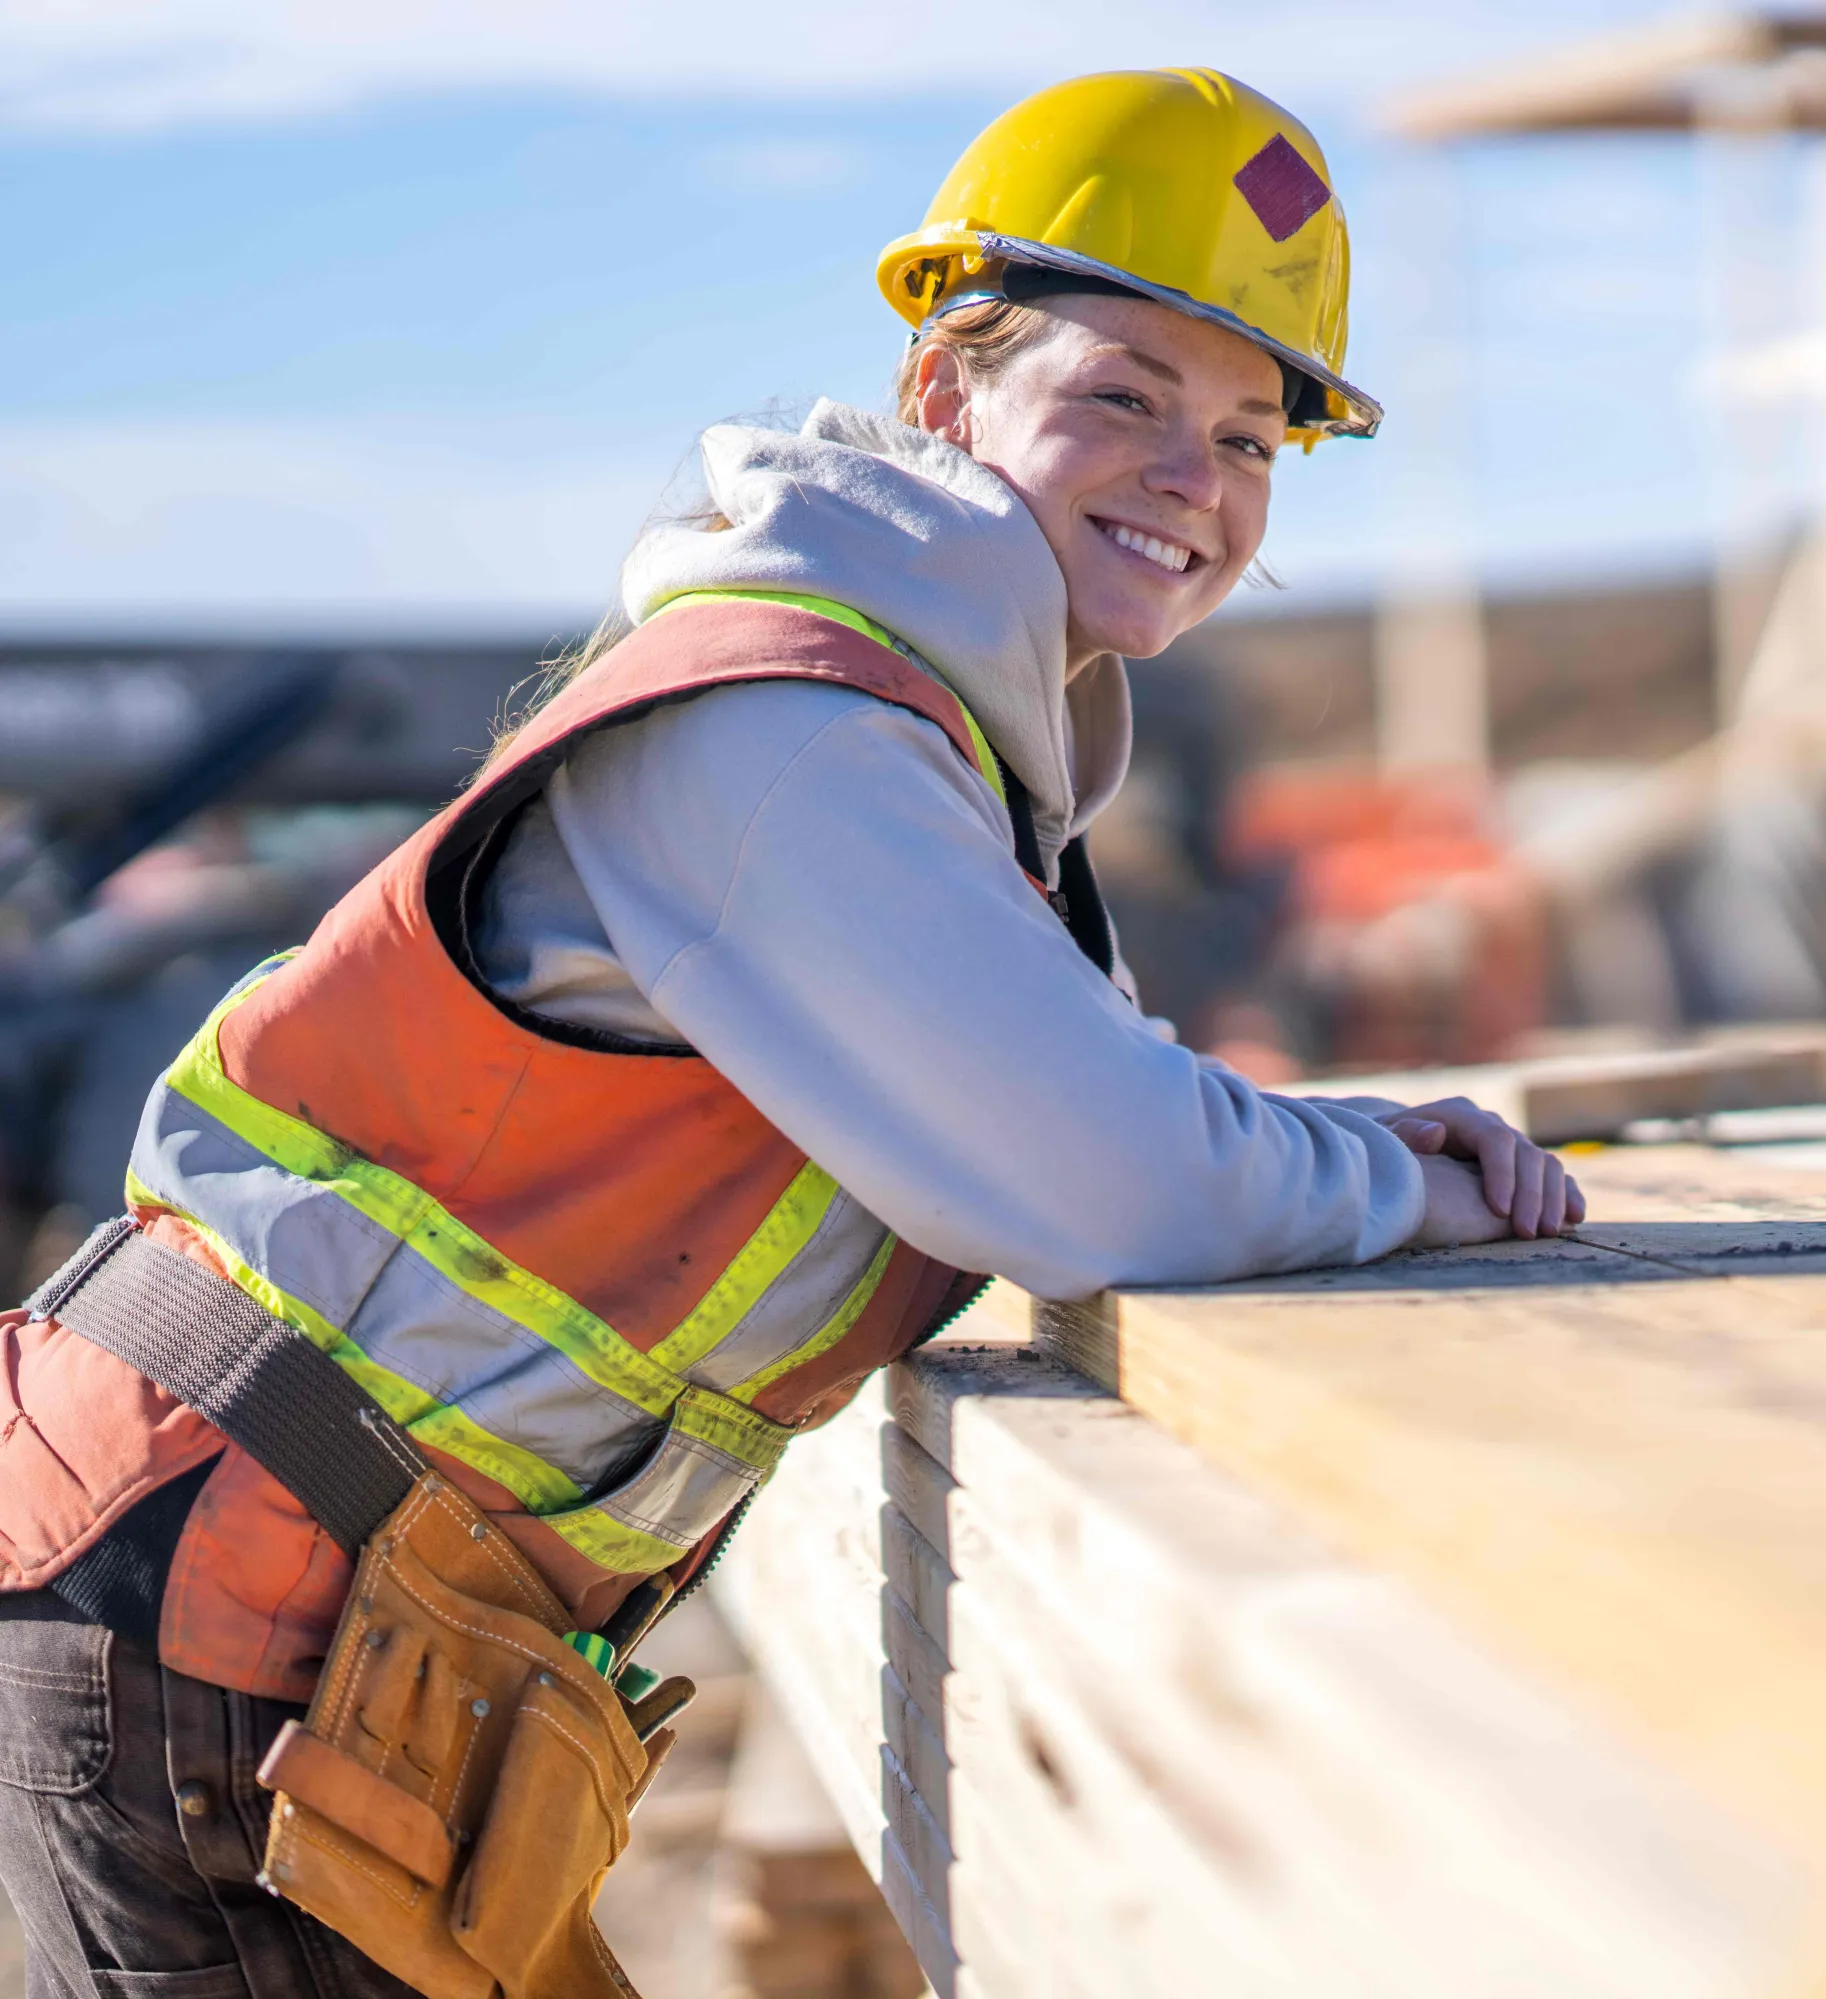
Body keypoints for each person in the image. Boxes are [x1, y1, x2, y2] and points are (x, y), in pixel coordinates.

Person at [0, 66, 1581, 1999]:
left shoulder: (936, 742)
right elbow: (1119, 1181)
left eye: (1256, 435)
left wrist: (1352, 1144)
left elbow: (1099, 1105)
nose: (1202, 476)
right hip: (240, 1577)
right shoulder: (796, 735)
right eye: (1126, 396)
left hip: (322, 1579)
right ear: (944, 388)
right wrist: (1395, 1190)